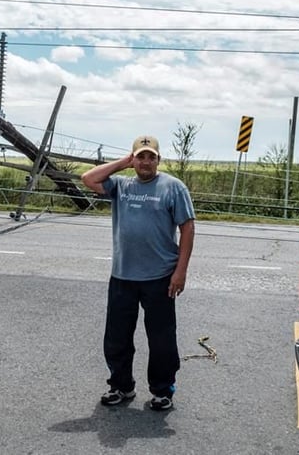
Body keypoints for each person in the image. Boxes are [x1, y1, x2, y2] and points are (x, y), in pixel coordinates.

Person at [81, 135, 195, 411]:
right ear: (133, 159)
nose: (146, 162)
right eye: (140, 156)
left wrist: (180, 272)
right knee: (117, 337)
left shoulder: (173, 187)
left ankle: (162, 390)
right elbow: (88, 178)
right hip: (123, 276)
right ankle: (121, 386)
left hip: (160, 278)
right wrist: (122, 163)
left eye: (151, 156)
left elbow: (188, 228)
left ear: (159, 159)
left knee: (161, 339)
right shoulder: (120, 185)